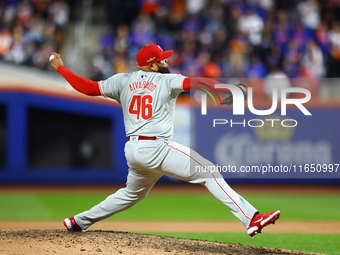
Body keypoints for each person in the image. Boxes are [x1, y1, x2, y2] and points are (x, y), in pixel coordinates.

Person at [49, 44, 280, 237]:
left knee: (131, 194)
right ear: (151, 65)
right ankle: (252, 218)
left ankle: (78, 221)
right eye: (162, 60)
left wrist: (61, 68)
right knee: (209, 172)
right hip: (157, 147)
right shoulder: (166, 81)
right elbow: (197, 82)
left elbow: (88, 88)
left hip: (133, 150)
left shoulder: (122, 80)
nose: (166, 63)